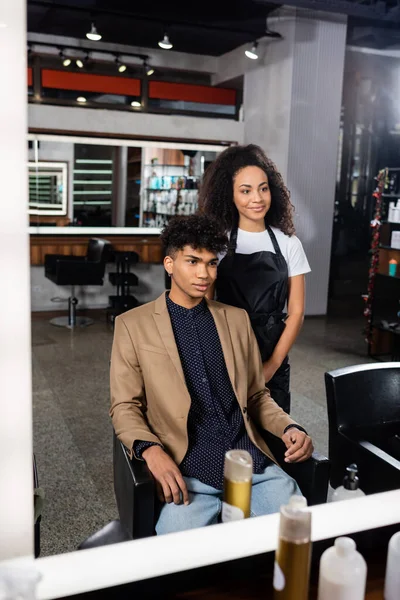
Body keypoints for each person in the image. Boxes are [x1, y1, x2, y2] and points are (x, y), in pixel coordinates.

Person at [110, 215, 313, 536]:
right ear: (169, 264)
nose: (204, 273)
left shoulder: (236, 320)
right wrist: (151, 451)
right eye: (192, 262)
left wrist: (288, 425)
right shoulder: (133, 325)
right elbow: (124, 406)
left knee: (297, 540)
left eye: (211, 263)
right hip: (187, 472)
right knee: (179, 566)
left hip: (252, 466)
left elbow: (257, 395)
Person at [199, 144, 311, 414]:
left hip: (274, 350)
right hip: (227, 349)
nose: (257, 198)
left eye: (263, 188)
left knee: (275, 435)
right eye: (245, 190)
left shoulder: (288, 243)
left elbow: (296, 313)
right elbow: (204, 304)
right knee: (231, 434)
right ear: (230, 195)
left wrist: (271, 366)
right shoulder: (219, 242)